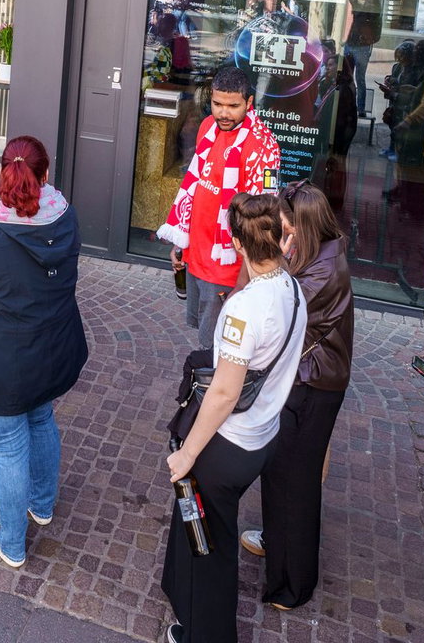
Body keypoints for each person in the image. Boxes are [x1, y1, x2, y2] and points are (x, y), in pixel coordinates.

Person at [161, 193, 306, 643]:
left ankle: (206, 634)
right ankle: (183, 600)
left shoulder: (242, 311)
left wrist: (188, 454)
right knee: (202, 529)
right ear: (281, 238)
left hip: (229, 445)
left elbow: (224, 393)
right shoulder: (292, 289)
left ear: (238, 244)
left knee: (210, 543)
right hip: (263, 433)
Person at [0, 136, 87, 568]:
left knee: (9, 448)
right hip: (50, 348)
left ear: (3, 176)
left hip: (4, 363)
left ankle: (11, 542)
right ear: (45, 174)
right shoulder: (66, 217)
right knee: (42, 417)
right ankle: (41, 505)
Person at [238, 182, 352, 609]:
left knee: (297, 484)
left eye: (284, 225)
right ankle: (276, 541)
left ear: (301, 225)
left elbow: (274, 309)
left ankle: (293, 585)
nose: (279, 231)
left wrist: (267, 260)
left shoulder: (322, 271)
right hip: (302, 380)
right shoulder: (319, 252)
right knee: (280, 471)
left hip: (311, 387)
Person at [157, 66, 283, 349]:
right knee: (205, 340)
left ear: (249, 102)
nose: (224, 113)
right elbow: (195, 190)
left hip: (228, 270)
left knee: (219, 347)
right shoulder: (207, 127)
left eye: (233, 106)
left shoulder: (264, 146)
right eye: (217, 104)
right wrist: (181, 244)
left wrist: (242, 283)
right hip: (197, 256)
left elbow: (263, 220)